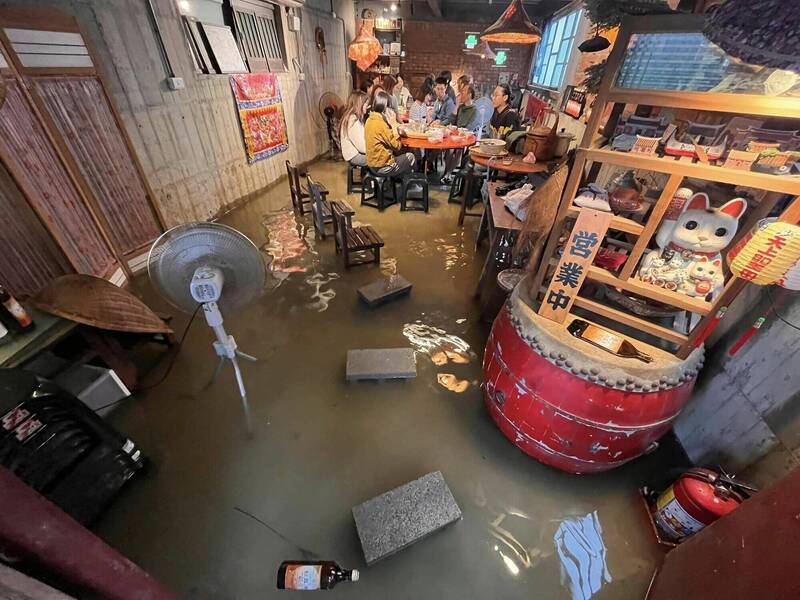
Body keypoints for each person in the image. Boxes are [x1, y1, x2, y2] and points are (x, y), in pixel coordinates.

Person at [364, 90, 415, 178]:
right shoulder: (380, 124)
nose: (391, 110)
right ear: (385, 108)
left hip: (371, 163)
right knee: (411, 156)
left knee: (403, 153)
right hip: (382, 166)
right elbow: (397, 146)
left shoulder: (370, 119)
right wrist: (394, 124)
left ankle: (398, 180)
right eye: (390, 108)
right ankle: (409, 184)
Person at [340, 90, 368, 167]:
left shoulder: (356, 117)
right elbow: (362, 148)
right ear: (359, 104)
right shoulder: (352, 120)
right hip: (354, 156)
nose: (367, 105)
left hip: (357, 153)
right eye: (365, 103)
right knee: (383, 157)